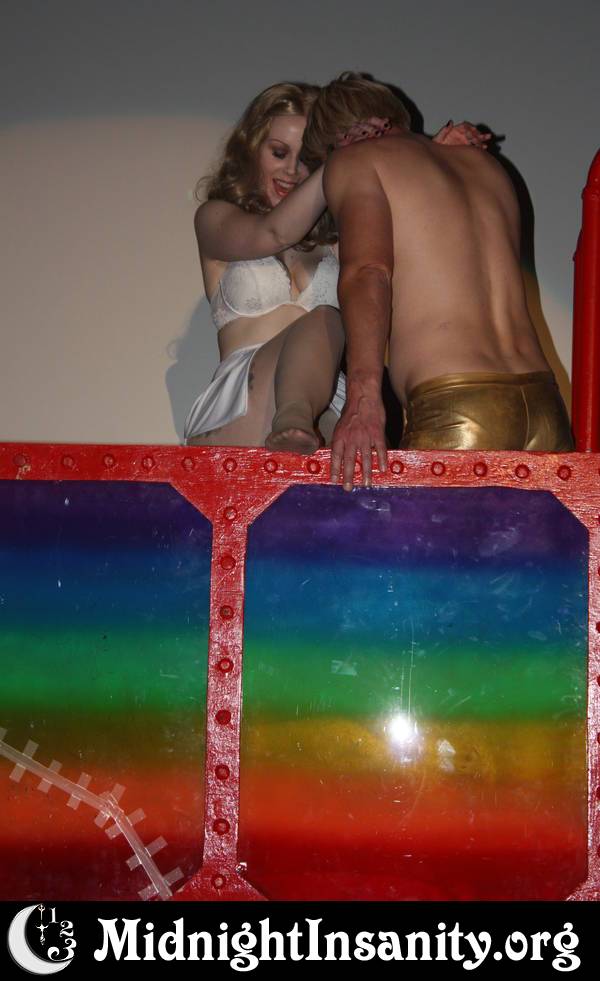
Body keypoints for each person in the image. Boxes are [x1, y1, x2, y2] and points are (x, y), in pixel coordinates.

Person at [302, 73, 574, 489]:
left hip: (457, 408)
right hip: (543, 406)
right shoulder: (485, 165)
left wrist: (363, 401)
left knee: (398, 533)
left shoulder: (356, 161)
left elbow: (368, 272)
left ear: (335, 142)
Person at [184, 81, 488, 453]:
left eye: (306, 158)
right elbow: (274, 232)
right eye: (278, 152)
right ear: (250, 151)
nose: (292, 170)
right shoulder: (215, 217)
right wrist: (343, 159)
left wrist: (431, 154)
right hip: (243, 402)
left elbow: (420, 239)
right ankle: (293, 416)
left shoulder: (339, 241)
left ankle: (301, 422)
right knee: (323, 317)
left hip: (330, 404)